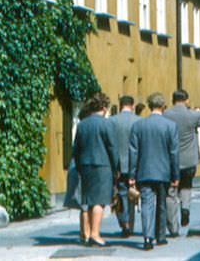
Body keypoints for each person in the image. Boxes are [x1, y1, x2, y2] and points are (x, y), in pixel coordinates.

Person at [128, 92, 179, 251]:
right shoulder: (171, 126)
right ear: (163, 106)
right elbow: (174, 152)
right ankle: (161, 236)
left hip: (144, 171)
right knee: (162, 204)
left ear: (149, 106)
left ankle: (147, 238)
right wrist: (175, 174)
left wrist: (131, 175)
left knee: (147, 204)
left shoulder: (138, 125)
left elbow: (133, 152)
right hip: (164, 172)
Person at [72, 92, 119, 247]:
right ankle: (95, 234)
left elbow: (76, 149)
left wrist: (79, 165)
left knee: (88, 201)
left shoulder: (82, 125)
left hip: (85, 165)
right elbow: (112, 147)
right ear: (104, 108)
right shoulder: (106, 124)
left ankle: (86, 233)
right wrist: (116, 168)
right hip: (102, 165)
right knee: (99, 201)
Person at [164, 89, 200, 234]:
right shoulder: (192, 115)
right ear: (186, 100)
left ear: (173, 100)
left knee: (170, 192)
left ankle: (173, 227)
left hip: (171, 160)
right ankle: (185, 209)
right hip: (189, 160)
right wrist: (199, 110)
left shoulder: (166, 115)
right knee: (186, 186)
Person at [110, 95, 140, 237]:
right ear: (132, 105)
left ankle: (125, 223)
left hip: (118, 164)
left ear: (120, 104)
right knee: (133, 195)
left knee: (121, 193)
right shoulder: (139, 121)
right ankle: (130, 224)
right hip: (136, 164)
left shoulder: (112, 121)